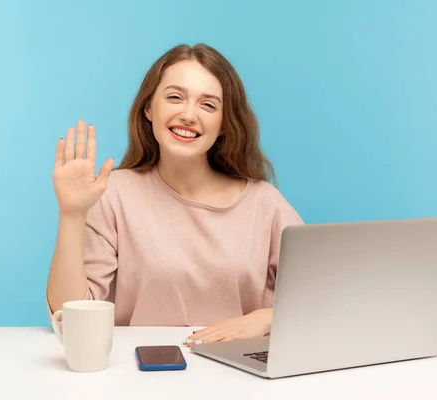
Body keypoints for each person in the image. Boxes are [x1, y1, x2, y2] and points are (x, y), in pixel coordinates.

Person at [46, 43, 303, 347]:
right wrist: (72, 215)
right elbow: (71, 317)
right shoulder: (114, 194)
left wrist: (265, 318)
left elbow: (323, 297)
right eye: (174, 97)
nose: (189, 115)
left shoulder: (265, 203)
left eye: (208, 105)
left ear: (223, 125)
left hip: (238, 372)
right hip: (140, 372)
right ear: (149, 108)